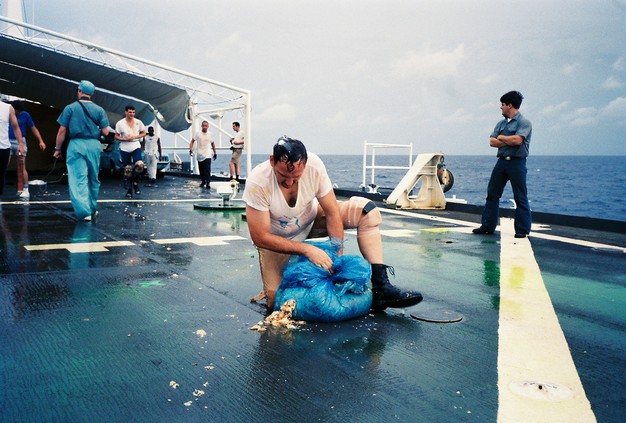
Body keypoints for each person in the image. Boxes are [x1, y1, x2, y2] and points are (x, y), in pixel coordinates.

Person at [243, 136, 423, 311]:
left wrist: (337, 257)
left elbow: (332, 212)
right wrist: (307, 250)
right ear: (272, 161)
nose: (289, 182)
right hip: (278, 238)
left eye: (296, 177)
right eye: (283, 175)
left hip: (311, 219)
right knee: (277, 301)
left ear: (305, 164)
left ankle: (381, 286)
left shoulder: (314, 166)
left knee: (368, 211)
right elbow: (260, 237)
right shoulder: (258, 181)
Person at [473, 91, 533, 238]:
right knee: (492, 194)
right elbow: (492, 142)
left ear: (509, 105)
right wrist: (508, 140)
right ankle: (487, 226)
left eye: (503, 104)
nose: (501, 107)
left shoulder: (524, 123)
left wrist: (501, 137)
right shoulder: (500, 123)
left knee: (520, 196)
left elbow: (518, 141)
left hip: (517, 163)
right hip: (501, 162)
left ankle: (522, 230)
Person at [53, 80, 110, 221]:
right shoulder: (99, 110)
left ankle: (84, 212)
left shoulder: (70, 108)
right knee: (93, 177)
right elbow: (106, 132)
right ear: (91, 94)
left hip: (76, 145)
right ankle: (92, 208)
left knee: (78, 178)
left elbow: (62, 131)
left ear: (79, 90)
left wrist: (57, 149)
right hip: (94, 145)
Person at [8, 101, 47, 199]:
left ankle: (25, 189)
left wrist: (41, 140)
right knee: (3, 164)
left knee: (22, 166)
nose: (19, 113)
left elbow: (33, 128)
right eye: (18, 111)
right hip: (7, 140)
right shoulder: (7, 113)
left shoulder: (25, 115)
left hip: (20, 141)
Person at [115, 105, 146, 197]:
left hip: (135, 145)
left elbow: (144, 132)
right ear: (126, 112)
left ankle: (136, 183)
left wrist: (136, 136)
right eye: (130, 112)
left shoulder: (138, 122)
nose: (131, 114)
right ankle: (129, 189)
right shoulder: (120, 123)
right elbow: (116, 136)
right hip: (125, 147)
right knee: (128, 169)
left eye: (133, 112)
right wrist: (124, 139)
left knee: (140, 166)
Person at [1, 101, 24, 196]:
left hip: (3, 147)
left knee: (1, 174)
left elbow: (16, 127)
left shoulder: (8, 108)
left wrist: (20, 144)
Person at [189, 120, 217, 188]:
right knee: (201, 169)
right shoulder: (198, 133)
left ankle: (208, 182)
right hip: (199, 154)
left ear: (208, 126)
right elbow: (192, 141)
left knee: (207, 169)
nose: (204, 127)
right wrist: (190, 149)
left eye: (206, 126)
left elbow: (213, 144)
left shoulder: (210, 134)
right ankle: (203, 181)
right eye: (203, 126)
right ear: (201, 126)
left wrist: (215, 153)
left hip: (207, 154)